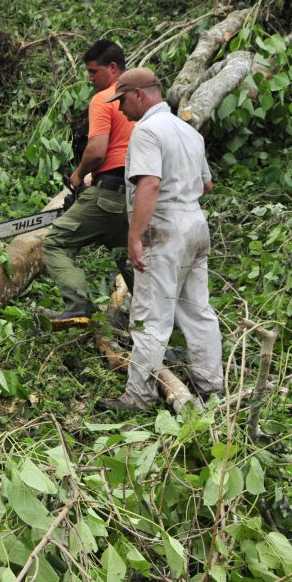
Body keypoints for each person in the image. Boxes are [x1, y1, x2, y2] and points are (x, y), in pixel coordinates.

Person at [96, 67, 224, 411]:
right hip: (195, 224)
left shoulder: (148, 131)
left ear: (139, 94)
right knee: (198, 310)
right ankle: (211, 386)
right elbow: (207, 185)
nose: (120, 108)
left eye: (122, 100)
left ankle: (138, 396)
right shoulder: (188, 132)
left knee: (151, 316)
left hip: (165, 228)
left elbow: (149, 183)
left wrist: (135, 237)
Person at [41, 40, 136, 327]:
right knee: (127, 257)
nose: (90, 78)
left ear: (113, 68)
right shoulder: (142, 100)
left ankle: (78, 304)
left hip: (110, 192)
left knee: (56, 242)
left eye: (94, 72)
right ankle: (156, 320)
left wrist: (78, 174)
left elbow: (96, 150)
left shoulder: (104, 99)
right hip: (137, 195)